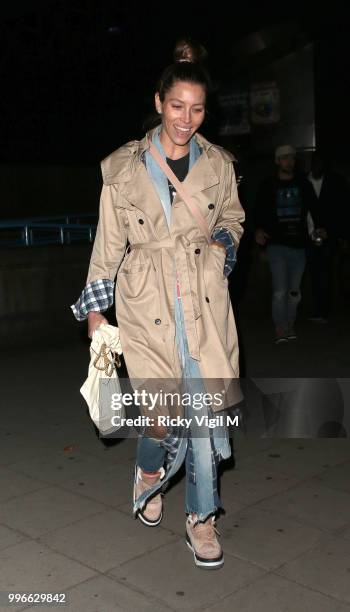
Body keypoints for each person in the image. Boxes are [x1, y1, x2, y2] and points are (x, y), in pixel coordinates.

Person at [71, 39, 245, 570]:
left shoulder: (217, 163)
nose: (185, 119)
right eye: (176, 106)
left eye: (196, 109)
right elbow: (108, 245)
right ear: (158, 102)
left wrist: (224, 247)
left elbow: (232, 218)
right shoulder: (122, 168)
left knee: (204, 412)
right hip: (146, 299)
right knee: (162, 418)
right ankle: (149, 470)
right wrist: (97, 312)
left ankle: (202, 518)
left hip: (203, 299)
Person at [254, 145, 325, 344]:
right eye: (284, 158)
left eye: (292, 158)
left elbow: (315, 207)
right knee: (279, 291)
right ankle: (279, 327)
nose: (289, 162)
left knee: (294, 292)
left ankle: (289, 324)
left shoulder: (303, 183)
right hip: (276, 244)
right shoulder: (268, 185)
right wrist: (258, 229)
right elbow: (257, 208)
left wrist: (321, 227)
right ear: (278, 161)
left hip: (299, 245)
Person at [306, 151, 350, 322]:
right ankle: (318, 308)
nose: (317, 166)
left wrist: (335, 233)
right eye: (315, 162)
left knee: (326, 271)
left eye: (321, 163)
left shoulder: (336, 181)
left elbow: (342, 209)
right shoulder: (304, 181)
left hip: (329, 236)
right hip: (308, 235)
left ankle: (323, 310)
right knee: (313, 272)